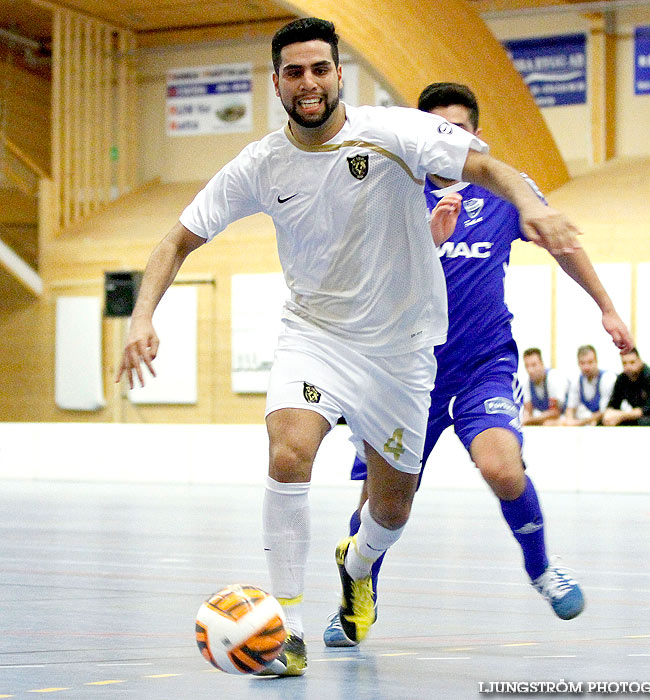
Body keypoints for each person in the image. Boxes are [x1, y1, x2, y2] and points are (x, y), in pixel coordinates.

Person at [115, 21, 585, 676]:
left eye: (318, 69)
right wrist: (142, 315)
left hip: (401, 351)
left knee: (390, 509)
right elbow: (176, 241)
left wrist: (529, 206)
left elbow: (485, 164)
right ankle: (289, 629)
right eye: (293, 72)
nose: (307, 82)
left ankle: (357, 565)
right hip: (316, 336)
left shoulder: (394, 133)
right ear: (276, 82)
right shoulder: (259, 164)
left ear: (339, 75)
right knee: (289, 450)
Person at [322, 82, 633, 648]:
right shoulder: (391, 193)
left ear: (475, 135)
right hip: (403, 375)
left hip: (481, 365)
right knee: (385, 507)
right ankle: (355, 595)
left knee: (503, 469)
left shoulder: (500, 194)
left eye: (459, 128)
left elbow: (562, 244)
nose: (449, 139)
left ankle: (540, 568)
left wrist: (607, 308)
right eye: (437, 128)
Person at [602, 349, 650, 426]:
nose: (628, 367)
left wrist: (621, 415)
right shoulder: (622, 379)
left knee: (644, 422)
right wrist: (609, 416)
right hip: (633, 416)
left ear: (640, 361)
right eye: (624, 363)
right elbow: (613, 403)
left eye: (632, 362)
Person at [559, 345, 617, 426]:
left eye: (590, 362)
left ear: (596, 361)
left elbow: (604, 412)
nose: (586, 367)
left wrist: (578, 423)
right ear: (578, 364)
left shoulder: (607, 378)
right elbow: (570, 409)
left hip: (605, 422)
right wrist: (569, 421)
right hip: (588, 421)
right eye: (582, 363)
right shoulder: (576, 381)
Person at [521, 347, 570, 426]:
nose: (530, 370)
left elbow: (555, 412)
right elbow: (528, 413)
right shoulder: (526, 384)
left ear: (542, 364)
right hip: (548, 419)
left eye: (534, 365)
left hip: (568, 417)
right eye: (527, 366)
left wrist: (529, 420)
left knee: (548, 423)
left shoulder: (553, 378)